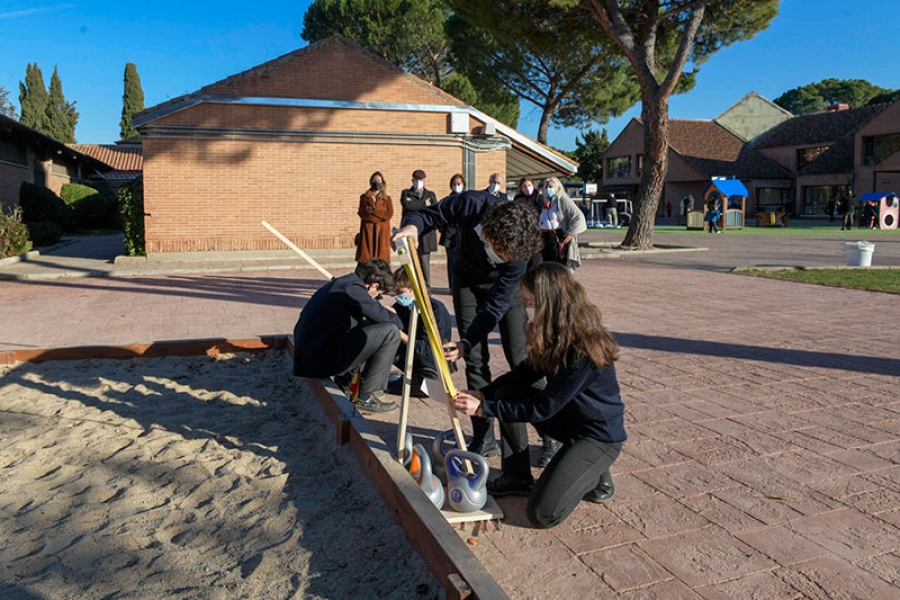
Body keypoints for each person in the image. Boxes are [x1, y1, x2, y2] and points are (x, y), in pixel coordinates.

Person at [450, 262, 626, 529]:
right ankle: (518, 477)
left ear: (550, 303)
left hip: (598, 436)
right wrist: (482, 394)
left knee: (542, 514)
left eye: (532, 303)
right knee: (507, 392)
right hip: (571, 421)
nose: (529, 311)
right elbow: (523, 374)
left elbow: (544, 407)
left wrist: (482, 409)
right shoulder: (558, 333)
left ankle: (591, 469)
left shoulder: (584, 349)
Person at [393, 193, 541, 458]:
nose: (500, 259)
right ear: (489, 233)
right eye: (499, 252)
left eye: (507, 258)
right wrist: (413, 226)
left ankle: (548, 433)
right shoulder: (470, 204)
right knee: (474, 361)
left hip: (504, 292)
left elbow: (496, 305)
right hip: (466, 282)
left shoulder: (518, 255)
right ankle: (484, 437)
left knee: (522, 360)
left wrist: (469, 338)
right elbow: (429, 215)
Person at [292, 259, 402, 413]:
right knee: (389, 332)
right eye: (378, 294)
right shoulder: (354, 291)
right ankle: (364, 398)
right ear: (373, 285)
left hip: (310, 354)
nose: (375, 298)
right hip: (317, 360)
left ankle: (346, 384)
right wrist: (393, 314)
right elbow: (392, 322)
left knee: (370, 328)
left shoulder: (345, 283)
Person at [386, 267, 454, 398]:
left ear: (413, 290)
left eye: (400, 293)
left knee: (428, 390)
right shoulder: (403, 306)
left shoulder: (434, 310)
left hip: (430, 363)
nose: (397, 297)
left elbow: (425, 348)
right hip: (411, 357)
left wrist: (398, 332)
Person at [534, 177, 587, 271]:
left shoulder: (563, 200)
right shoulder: (545, 201)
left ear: (557, 187)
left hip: (557, 237)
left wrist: (571, 233)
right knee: (545, 265)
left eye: (551, 186)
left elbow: (578, 216)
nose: (548, 189)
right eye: (546, 187)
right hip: (543, 236)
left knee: (557, 265)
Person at [400, 169, 438, 287]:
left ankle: (426, 287)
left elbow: (433, 210)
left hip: (426, 234)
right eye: (416, 180)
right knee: (407, 260)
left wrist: (415, 204)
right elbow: (407, 206)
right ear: (412, 180)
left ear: (424, 180)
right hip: (409, 232)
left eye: (421, 180)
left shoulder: (430, 194)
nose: (418, 182)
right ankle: (407, 285)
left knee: (424, 262)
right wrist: (423, 204)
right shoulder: (406, 193)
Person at [356, 171, 394, 267]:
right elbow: (362, 213)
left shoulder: (387, 199)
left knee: (381, 259)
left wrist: (374, 212)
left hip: (382, 231)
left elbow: (389, 214)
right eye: (375, 180)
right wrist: (376, 218)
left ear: (382, 182)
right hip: (368, 230)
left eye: (379, 180)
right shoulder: (364, 197)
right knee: (366, 258)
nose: (377, 182)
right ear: (371, 181)